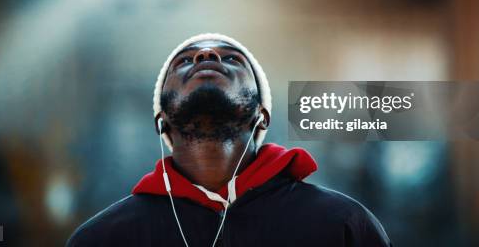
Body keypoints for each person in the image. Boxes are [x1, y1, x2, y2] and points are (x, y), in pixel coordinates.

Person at [67, 33, 392, 246]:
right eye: (183, 61)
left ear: (262, 116)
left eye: (233, 58)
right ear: (161, 121)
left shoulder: (341, 225)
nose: (206, 54)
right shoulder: (104, 238)